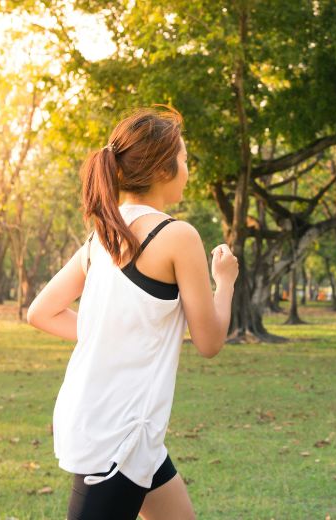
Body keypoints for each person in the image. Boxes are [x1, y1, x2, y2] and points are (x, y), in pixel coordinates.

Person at [26, 105, 239, 520]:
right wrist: (225, 281)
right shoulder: (177, 236)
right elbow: (210, 342)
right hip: (118, 436)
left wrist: (108, 332)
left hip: (124, 428)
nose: (187, 171)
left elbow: (42, 312)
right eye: (184, 160)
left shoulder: (102, 237)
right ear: (162, 169)